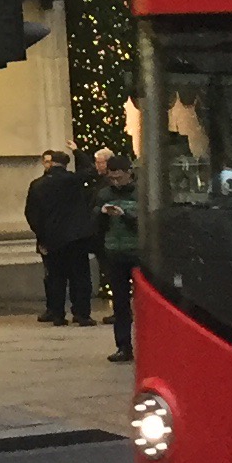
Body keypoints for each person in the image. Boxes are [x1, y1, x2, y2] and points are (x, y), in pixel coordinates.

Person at [24, 146, 97, 328]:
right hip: (76, 237)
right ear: (65, 164)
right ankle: (81, 314)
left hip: (52, 237)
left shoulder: (37, 185)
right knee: (80, 277)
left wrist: (41, 237)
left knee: (56, 277)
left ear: (51, 164)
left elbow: (31, 214)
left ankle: (57, 314)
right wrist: (77, 151)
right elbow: (91, 171)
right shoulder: (72, 180)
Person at [94, 145, 140, 363]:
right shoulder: (104, 194)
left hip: (137, 252)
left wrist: (126, 215)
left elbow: (147, 222)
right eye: (111, 178)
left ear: (129, 173)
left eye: (119, 178)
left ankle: (146, 345)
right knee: (120, 303)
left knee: (143, 303)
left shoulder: (140, 193)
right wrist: (102, 214)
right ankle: (123, 345)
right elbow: (95, 223)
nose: (115, 182)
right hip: (114, 252)